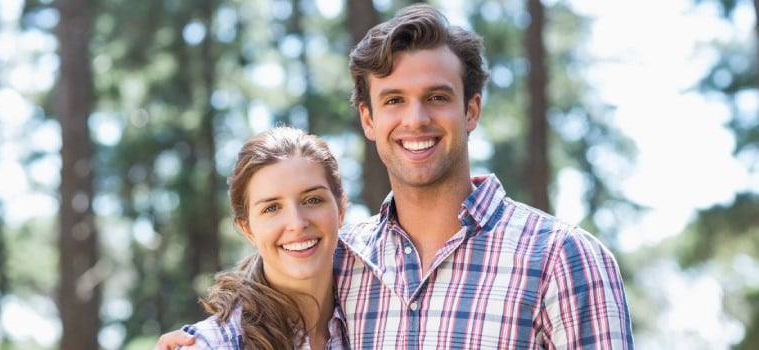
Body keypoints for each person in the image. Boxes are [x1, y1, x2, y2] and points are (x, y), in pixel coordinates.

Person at [156, 4, 633, 349]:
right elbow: (264, 299)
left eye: (437, 97)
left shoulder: (562, 258)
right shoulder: (343, 258)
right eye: (393, 100)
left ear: (471, 110)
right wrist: (203, 338)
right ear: (368, 119)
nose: (416, 120)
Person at [175, 127, 350, 349]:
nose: (297, 224)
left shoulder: (376, 311)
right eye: (272, 208)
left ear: (341, 209)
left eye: (313, 200)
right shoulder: (211, 345)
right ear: (247, 229)